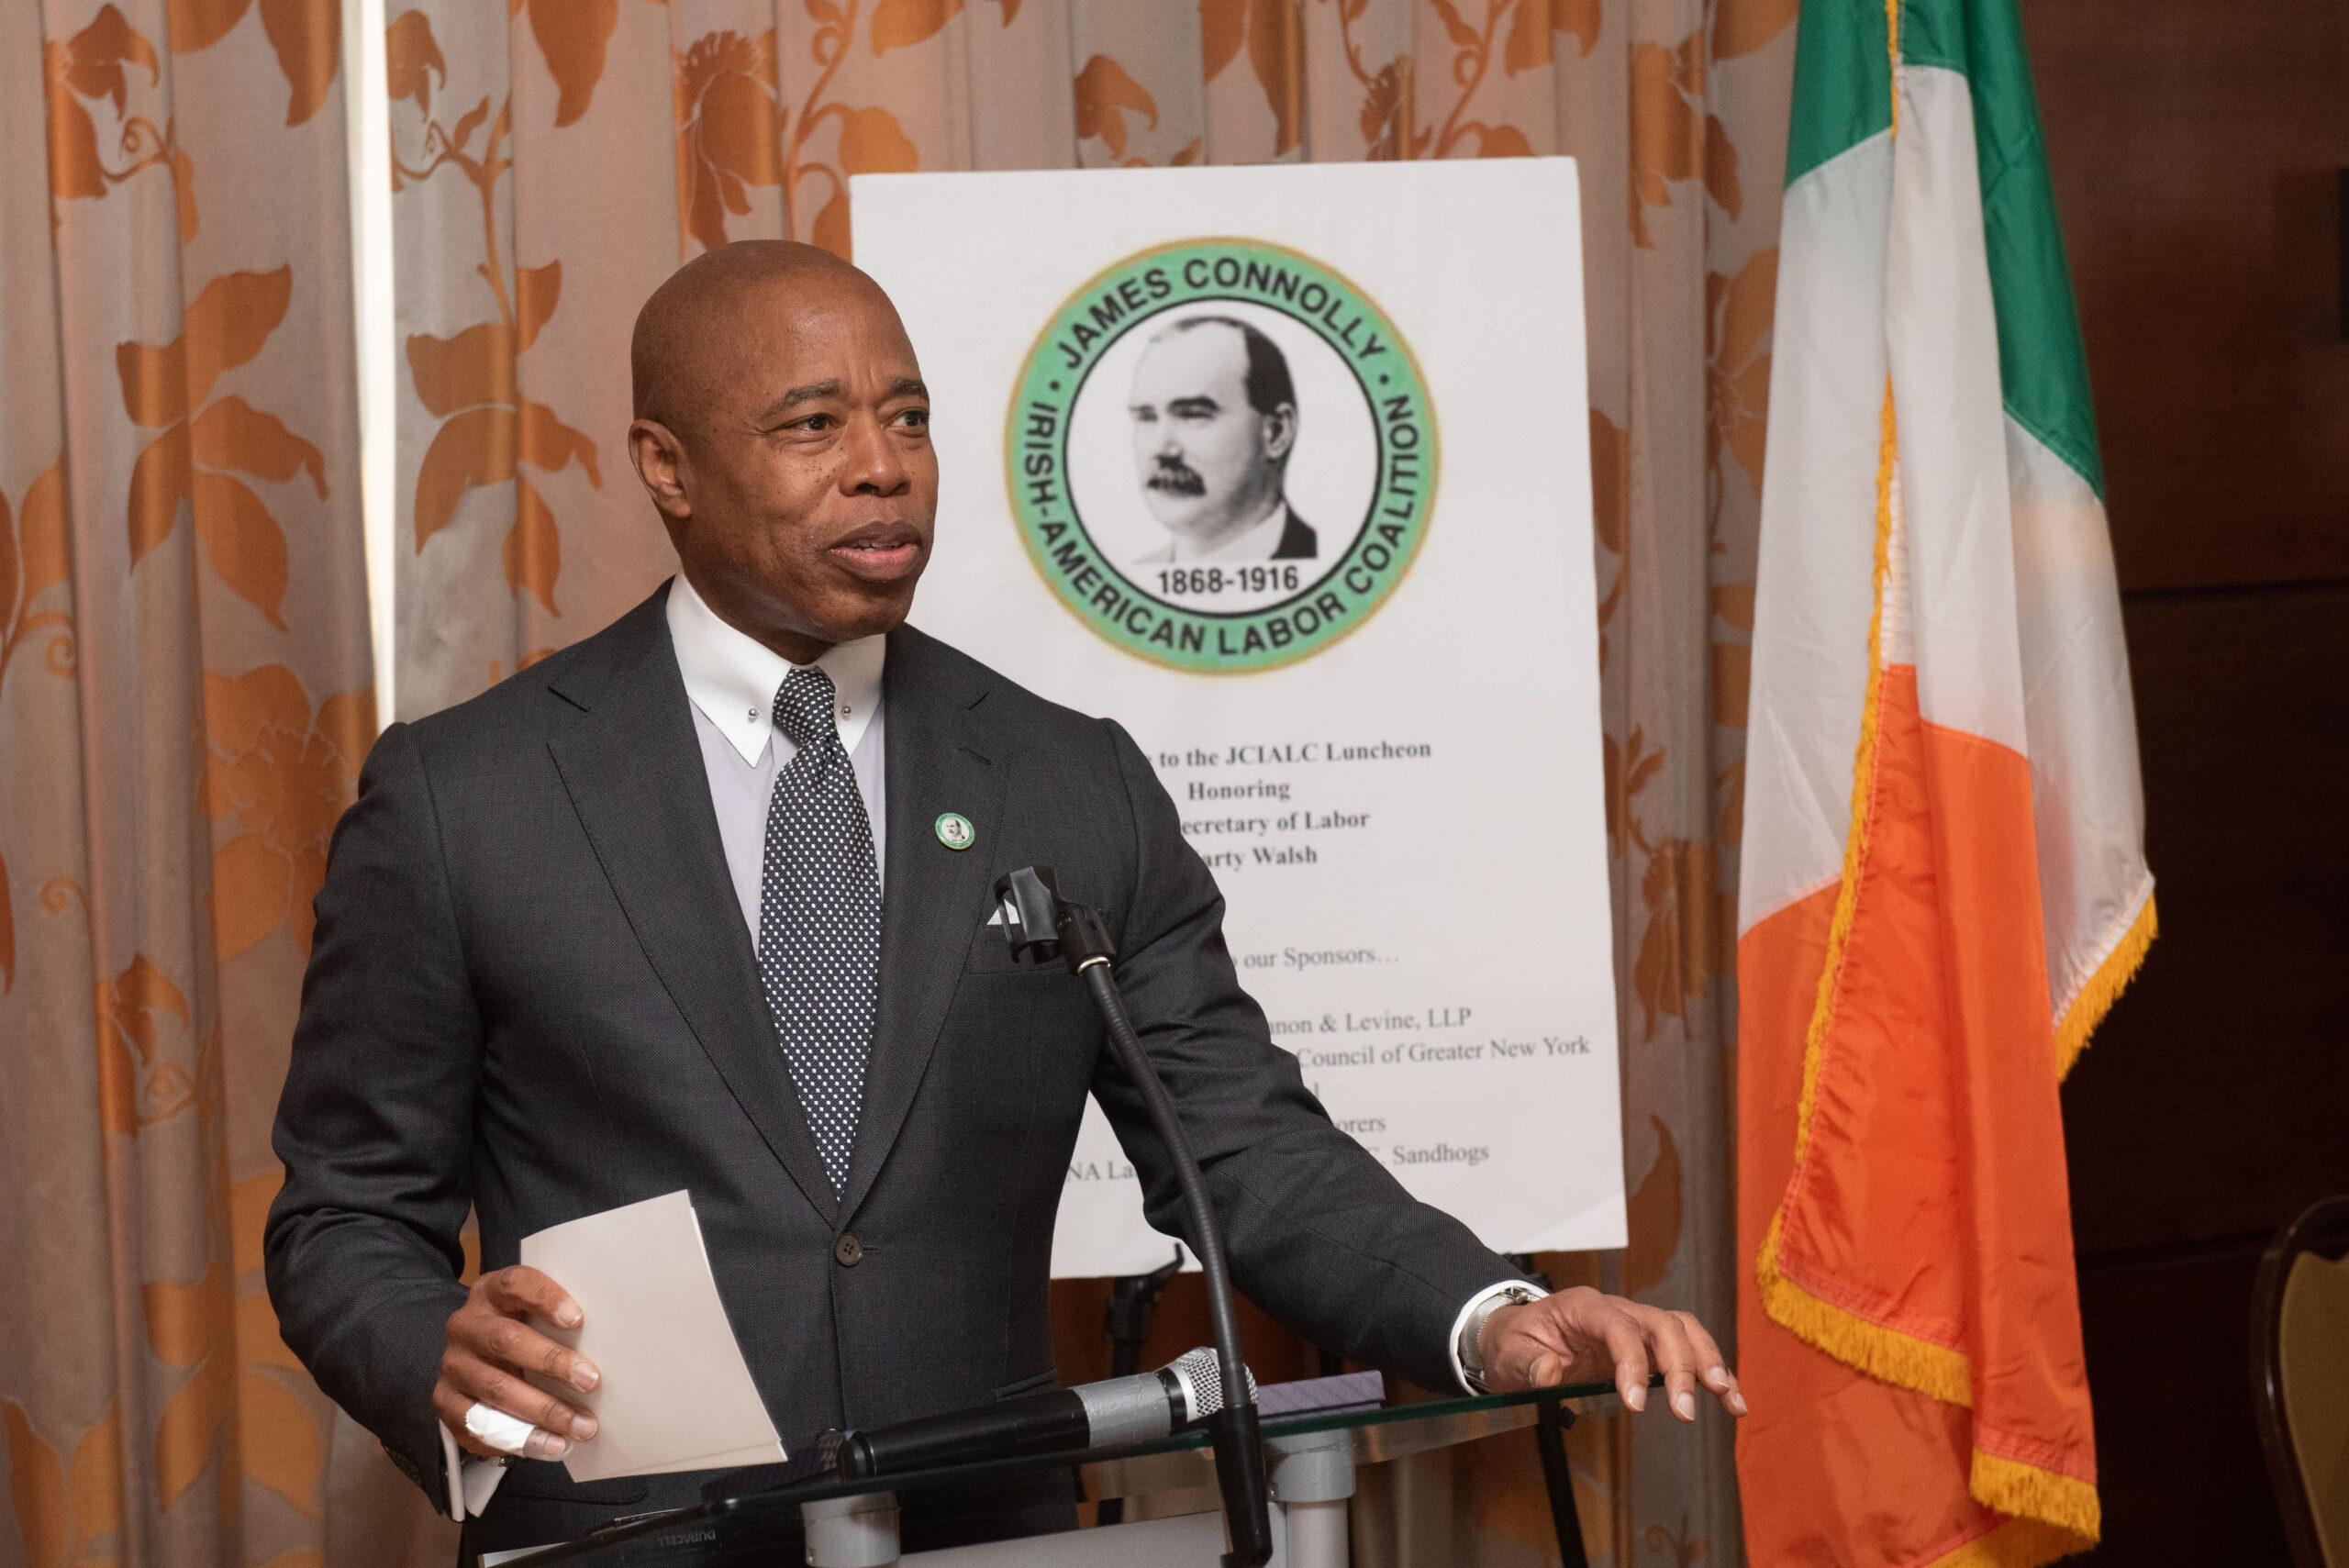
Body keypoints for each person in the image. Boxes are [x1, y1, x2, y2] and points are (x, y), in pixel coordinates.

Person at [265, 241, 1742, 1556]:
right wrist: (439, 1362)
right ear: (666, 465)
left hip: (988, 1527)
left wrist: (1489, 1315)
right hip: (624, 1531)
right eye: (813, 425)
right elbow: (344, 1214)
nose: (883, 465)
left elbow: (1238, 1149)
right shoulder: (467, 800)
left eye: (906, 415)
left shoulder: (1064, 778)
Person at [1127, 315, 1318, 565]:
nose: (1162, 449)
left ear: (1276, 432)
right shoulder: (1137, 574)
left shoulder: (1329, 559)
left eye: (1193, 415)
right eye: (1147, 417)